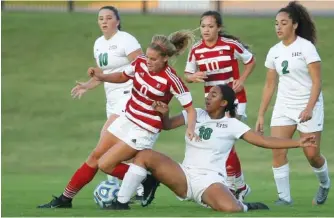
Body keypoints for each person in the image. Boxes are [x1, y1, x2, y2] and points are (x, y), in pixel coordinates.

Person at [38, 30, 197, 209]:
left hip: (144, 129)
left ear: (165, 59)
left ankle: (147, 179)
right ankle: (65, 199)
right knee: (95, 156)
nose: (148, 62)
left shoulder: (172, 79)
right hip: (126, 118)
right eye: (148, 57)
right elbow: (123, 76)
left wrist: (190, 128)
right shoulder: (140, 62)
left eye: (153, 59)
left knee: (105, 164)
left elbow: (190, 109)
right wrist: (101, 76)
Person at [107, 84, 317, 211]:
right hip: (184, 174)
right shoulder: (195, 113)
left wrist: (298, 142)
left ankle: (244, 205)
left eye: (214, 95)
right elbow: (168, 126)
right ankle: (121, 202)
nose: (207, 97)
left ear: (224, 102)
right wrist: (164, 114)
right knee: (144, 155)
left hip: (209, 180)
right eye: (208, 94)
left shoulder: (233, 124)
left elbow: (263, 141)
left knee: (231, 209)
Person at [255, 1, 330, 206]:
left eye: (283, 23)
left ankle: (324, 184)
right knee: (278, 150)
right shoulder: (274, 51)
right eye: (276, 23)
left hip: (308, 105)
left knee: (312, 155)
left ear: (294, 25)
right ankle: (284, 199)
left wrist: (309, 108)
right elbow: (270, 85)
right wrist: (261, 114)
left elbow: (317, 82)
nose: (278, 27)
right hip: (284, 107)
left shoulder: (306, 48)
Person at [70, 6, 145, 198]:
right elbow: (102, 73)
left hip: (128, 97)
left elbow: (143, 67)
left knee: (103, 147)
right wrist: (87, 84)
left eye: (108, 17)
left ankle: (141, 182)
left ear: (117, 21)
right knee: (117, 150)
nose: (104, 21)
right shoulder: (98, 43)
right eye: (100, 18)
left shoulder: (126, 40)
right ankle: (138, 186)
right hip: (111, 101)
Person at [184, 10, 255, 201]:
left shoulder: (230, 45)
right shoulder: (196, 50)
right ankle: (238, 186)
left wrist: (241, 79)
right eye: (203, 26)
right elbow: (187, 75)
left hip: (235, 100)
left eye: (210, 26)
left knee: (225, 139)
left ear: (219, 28)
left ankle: (235, 186)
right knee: (222, 142)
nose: (206, 30)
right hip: (213, 103)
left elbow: (250, 60)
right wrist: (193, 77)